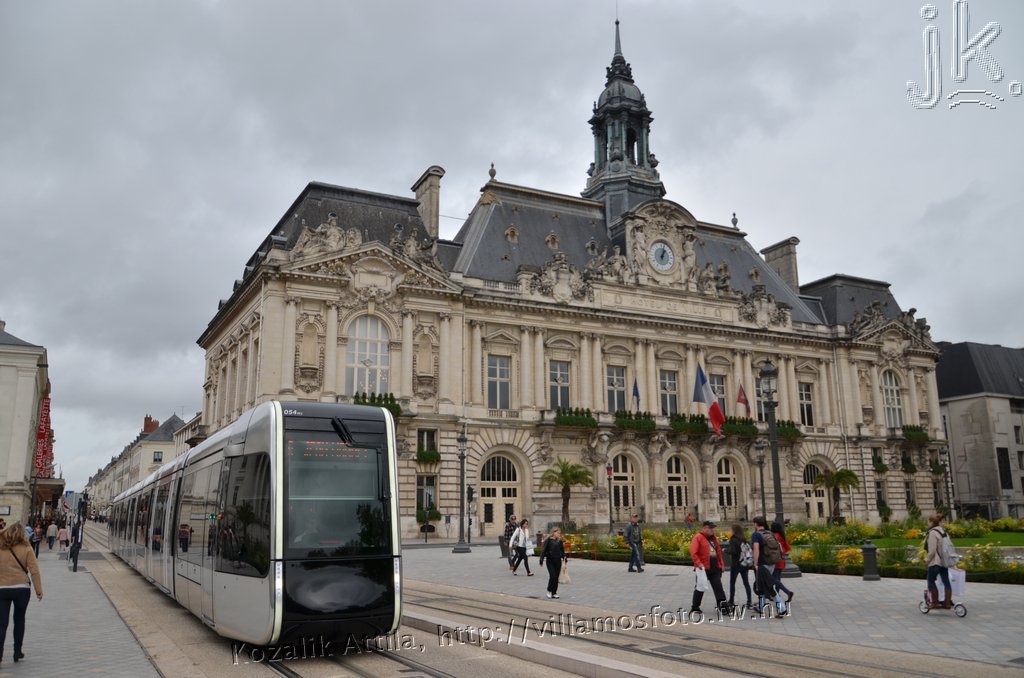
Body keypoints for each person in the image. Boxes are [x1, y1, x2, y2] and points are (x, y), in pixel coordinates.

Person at [0, 522, 44, 663]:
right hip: (22, 589)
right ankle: (17, 651)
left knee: (2, 623)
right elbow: (34, 571)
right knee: (19, 620)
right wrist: (38, 591)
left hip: (2, 588)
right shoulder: (27, 548)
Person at [751, 516, 787, 618]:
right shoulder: (769, 533)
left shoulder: (756, 535)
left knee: (769, 586)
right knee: (761, 585)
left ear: (756, 524)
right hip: (771, 563)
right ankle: (761, 606)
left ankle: (782, 608)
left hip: (762, 564)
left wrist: (755, 563)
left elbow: (756, 549)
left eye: (754, 523)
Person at [689, 521, 727, 614]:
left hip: (714, 567)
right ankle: (695, 607)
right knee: (700, 587)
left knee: (718, 588)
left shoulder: (713, 538)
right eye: (710, 528)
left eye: (712, 528)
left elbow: (718, 552)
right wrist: (699, 563)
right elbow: (693, 552)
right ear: (705, 528)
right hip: (703, 568)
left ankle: (723, 607)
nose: (712, 530)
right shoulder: (698, 537)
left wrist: (721, 564)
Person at [925, 513, 953, 609]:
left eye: (928, 521)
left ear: (932, 522)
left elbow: (932, 550)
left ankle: (935, 602)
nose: (927, 523)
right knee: (946, 581)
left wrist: (927, 560)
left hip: (936, 562)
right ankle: (947, 603)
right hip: (944, 560)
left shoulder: (933, 533)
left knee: (931, 580)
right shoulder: (943, 531)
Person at [727, 523, 753, 610]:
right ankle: (749, 601)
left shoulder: (733, 539)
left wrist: (726, 550)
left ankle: (731, 601)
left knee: (732, 583)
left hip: (736, 564)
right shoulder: (743, 539)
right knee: (746, 583)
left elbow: (733, 551)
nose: (730, 531)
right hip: (744, 564)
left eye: (731, 530)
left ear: (734, 531)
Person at [538, 527, 567, 599]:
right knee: (553, 576)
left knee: (556, 577)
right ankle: (549, 590)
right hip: (550, 561)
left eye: (559, 533)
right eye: (557, 533)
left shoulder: (560, 541)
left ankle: (554, 592)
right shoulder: (548, 540)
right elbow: (544, 550)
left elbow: (562, 551)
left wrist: (564, 557)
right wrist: (541, 559)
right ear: (553, 532)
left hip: (558, 561)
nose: (559, 534)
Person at [771, 521, 794, 603]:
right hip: (781, 560)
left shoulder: (773, 536)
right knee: (777, 579)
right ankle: (777, 595)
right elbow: (787, 548)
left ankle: (788, 592)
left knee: (773, 579)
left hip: (775, 560)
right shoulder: (782, 536)